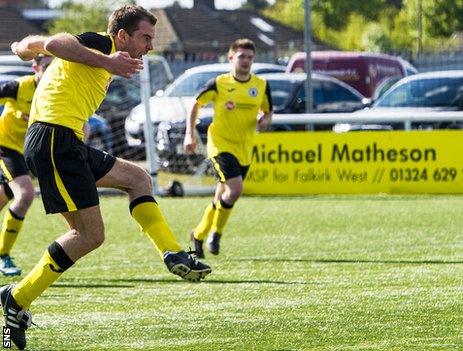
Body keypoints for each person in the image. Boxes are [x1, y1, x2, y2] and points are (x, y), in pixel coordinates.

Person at [2, 5, 211, 349]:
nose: (150, 47)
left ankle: (173, 253)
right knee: (89, 235)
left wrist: (27, 46)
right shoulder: (101, 44)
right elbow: (57, 42)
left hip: (67, 142)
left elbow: (41, 45)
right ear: (122, 35)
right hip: (54, 140)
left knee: (138, 179)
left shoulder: (97, 57)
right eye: (145, 37)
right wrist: (108, 60)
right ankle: (17, 298)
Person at [184, 38, 273, 257]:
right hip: (220, 145)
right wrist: (190, 134)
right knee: (235, 189)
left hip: (245, 148)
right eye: (241, 56)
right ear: (231, 58)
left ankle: (199, 235)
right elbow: (195, 104)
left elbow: (268, 111)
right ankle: (216, 233)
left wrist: (265, 121)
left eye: (250, 57)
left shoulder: (261, 85)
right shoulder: (219, 83)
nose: (246, 61)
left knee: (222, 195)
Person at [0, 55, 53, 277]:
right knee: (26, 194)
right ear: (35, 68)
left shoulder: (57, 92)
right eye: (47, 66)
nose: (51, 71)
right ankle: (3, 255)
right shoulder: (18, 87)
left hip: (27, 153)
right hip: (5, 147)